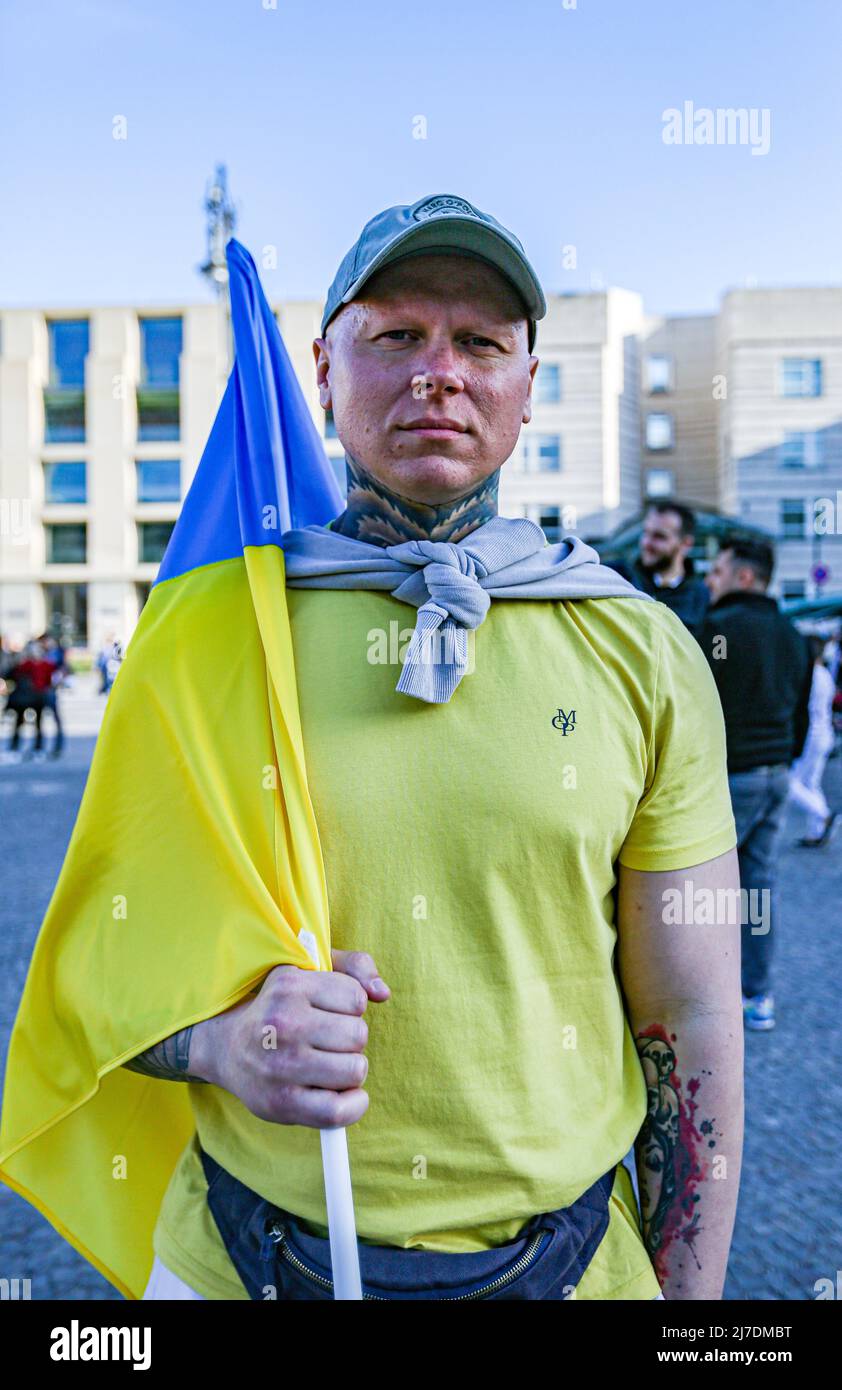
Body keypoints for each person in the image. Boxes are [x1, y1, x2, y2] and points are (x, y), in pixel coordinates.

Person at [127, 194, 742, 1302]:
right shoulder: (212, 634)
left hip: (570, 1267)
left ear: (525, 385)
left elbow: (687, 1018)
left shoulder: (640, 647)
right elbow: (101, 967)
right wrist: (218, 1046)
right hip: (238, 1261)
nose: (437, 373)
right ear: (322, 368)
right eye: (395, 335)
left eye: (479, 343)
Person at [699, 536, 812, 1032]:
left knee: (697, 885)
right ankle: (757, 996)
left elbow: (694, 703)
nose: (710, 577)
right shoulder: (792, 633)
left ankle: (698, 995)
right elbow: (805, 712)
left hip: (731, 775)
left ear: (744, 576)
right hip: (776, 775)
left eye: (718, 569)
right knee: (758, 889)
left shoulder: (717, 630)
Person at [611, 499, 710, 637]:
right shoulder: (619, 578)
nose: (646, 543)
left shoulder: (701, 597)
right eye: (646, 532)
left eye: (659, 536)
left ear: (686, 544)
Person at [788, 635, 838, 847]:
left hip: (811, 736)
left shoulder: (810, 676)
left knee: (790, 786)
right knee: (811, 784)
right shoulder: (824, 674)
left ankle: (824, 815)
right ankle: (816, 831)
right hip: (824, 734)